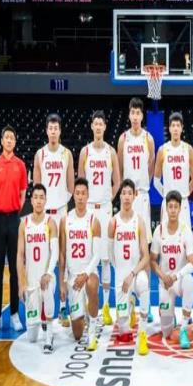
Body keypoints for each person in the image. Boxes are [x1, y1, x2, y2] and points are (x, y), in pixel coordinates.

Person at [78, 110, 121, 327]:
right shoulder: (85, 152)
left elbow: (117, 181)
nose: (97, 127)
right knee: (88, 257)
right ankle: (87, 305)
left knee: (105, 259)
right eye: (95, 123)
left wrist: (107, 199)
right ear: (92, 126)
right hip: (88, 209)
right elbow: (80, 183)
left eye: (100, 124)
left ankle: (105, 306)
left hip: (104, 209)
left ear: (104, 127)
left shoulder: (111, 152)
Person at [33, 113, 75, 325]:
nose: (53, 131)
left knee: (63, 258)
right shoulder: (39, 154)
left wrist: (60, 203)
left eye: (56, 128)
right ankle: (44, 307)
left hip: (61, 212)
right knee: (45, 260)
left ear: (60, 131)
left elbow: (71, 186)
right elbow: (37, 188)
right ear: (46, 130)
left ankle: (64, 307)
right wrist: (43, 208)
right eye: (50, 128)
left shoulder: (66, 154)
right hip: (44, 214)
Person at [117, 98, 155, 322]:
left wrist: (141, 189)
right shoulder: (123, 138)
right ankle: (129, 300)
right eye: (132, 112)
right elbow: (121, 168)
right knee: (127, 246)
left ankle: (145, 304)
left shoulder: (148, 138)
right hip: (128, 195)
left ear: (142, 116)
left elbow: (150, 167)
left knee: (144, 249)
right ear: (129, 114)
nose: (135, 116)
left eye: (138, 113)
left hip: (142, 195)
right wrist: (128, 192)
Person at [0, 125, 28, 333]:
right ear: (2, 141)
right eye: (7, 137)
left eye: (12, 137)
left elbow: (23, 194)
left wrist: (13, 212)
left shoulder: (21, 165)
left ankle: (13, 315)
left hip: (14, 220)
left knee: (14, 269)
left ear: (15, 141)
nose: (9, 140)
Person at [108, 179, 150, 355]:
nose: (126, 197)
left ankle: (143, 334)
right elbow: (111, 254)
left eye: (129, 193)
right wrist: (121, 273)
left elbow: (146, 256)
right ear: (120, 196)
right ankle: (129, 305)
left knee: (144, 283)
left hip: (135, 272)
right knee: (124, 333)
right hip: (121, 275)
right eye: (123, 193)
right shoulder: (113, 222)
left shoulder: (139, 221)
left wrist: (132, 274)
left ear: (135, 196)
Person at [59, 178, 101, 351]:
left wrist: (85, 274)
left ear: (88, 195)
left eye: (84, 193)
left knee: (91, 285)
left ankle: (92, 331)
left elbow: (97, 255)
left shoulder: (93, 220)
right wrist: (62, 282)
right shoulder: (65, 220)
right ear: (73, 196)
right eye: (77, 193)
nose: (81, 197)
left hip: (89, 273)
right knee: (77, 334)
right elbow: (62, 254)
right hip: (72, 278)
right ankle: (82, 313)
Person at [150, 190, 193, 349]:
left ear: (180, 208)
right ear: (166, 209)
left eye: (176, 207)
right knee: (166, 332)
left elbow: (192, 263)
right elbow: (153, 261)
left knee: (189, 280)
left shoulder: (185, 230)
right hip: (165, 283)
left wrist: (176, 276)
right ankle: (170, 315)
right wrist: (162, 276)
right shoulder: (159, 231)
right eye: (170, 207)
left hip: (179, 281)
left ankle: (184, 328)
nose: (173, 210)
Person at [16, 184, 58, 353]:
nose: (39, 201)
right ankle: (41, 319)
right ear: (31, 200)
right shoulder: (24, 224)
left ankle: (49, 335)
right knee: (32, 337)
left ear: (46, 200)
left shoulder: (50, 222)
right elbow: (19, 255)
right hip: (31, 282)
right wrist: (21, 284)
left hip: (47, 278)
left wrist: (48, 273)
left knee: (46, 288)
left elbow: (55, 252)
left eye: (42, 197)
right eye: (36, 197)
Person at [153, 112, 193, 230]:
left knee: (185, 237)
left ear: (182, 128)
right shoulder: (162, 150)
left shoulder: (188, 149)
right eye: (173, 125)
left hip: (183, 202)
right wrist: (166, 195)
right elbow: (156, 180)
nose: (176, 129)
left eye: (178, 125)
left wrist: (185, 193)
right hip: (168, 203)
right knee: (165, 237)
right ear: (169, 128)